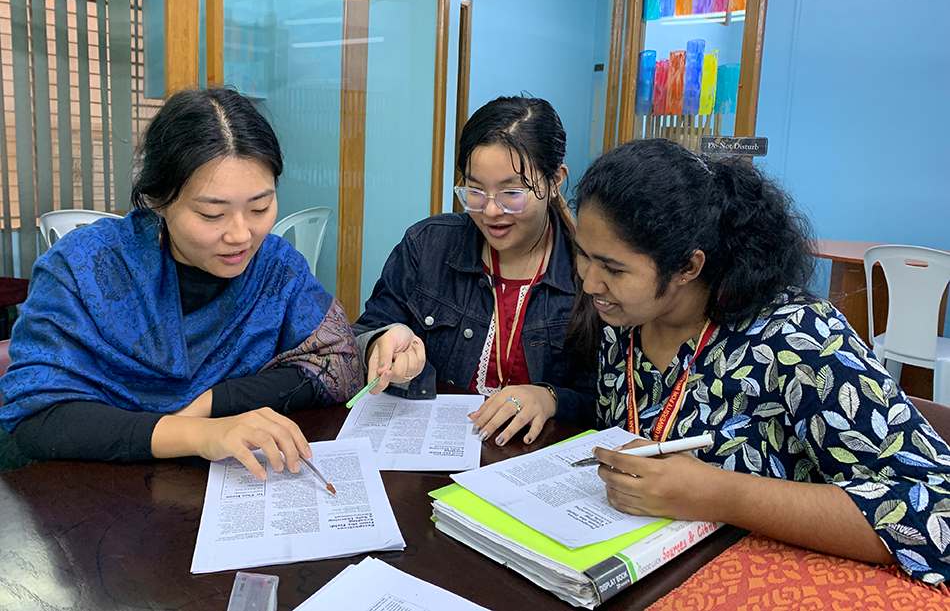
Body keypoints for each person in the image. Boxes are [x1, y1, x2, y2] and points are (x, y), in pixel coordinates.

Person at [569, 138, 950, 583]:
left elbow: (938, 512)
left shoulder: (799, 339)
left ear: (688, 267)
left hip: (770, 583)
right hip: (643, 573)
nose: (590, 282)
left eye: (613, 269)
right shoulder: (623, 324)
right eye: (582, 254)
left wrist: (719, 494)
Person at [0, 88, 364, 479]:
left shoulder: (275, 268)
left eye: (260, 207)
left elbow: (338, 363)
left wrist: (213, 401)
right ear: (158, 200)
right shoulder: (84, 266)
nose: (241, 235)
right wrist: (195, 432)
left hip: (210, 491)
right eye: (212, 214)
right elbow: (37, 419)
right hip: (85, 493)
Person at [354, 96, 596, 446]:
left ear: (555, 180)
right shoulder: (428, 245)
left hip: (527, 463)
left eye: (512, 192)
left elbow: (605, 400)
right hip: (433, 453)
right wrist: (380, 342)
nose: (491, 211)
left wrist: (551, 398)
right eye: (475, 192)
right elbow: (369, 328)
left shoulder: (586, 273)